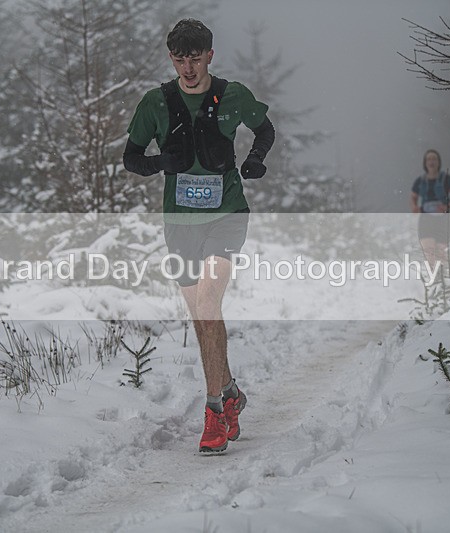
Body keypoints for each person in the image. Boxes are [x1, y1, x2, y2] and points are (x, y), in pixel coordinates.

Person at [122, 19, 275, 453]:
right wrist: (160, 164)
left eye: (195, 57)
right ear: (171, 58)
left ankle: (213, 415)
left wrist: (256, 159)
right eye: (179, 58)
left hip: (227, 214)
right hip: (179, 222)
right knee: (202, 315)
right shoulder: (156, 103)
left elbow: (265, 129)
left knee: (209, 302)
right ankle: (229, 391)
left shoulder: (233, 96)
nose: (188, 67)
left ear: (210, 54)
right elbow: (132, 158)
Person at [410, 149, 450, 278]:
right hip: (426, 219)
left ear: (438, 162)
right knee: (428, 249)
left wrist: (446, 206)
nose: (431, 162)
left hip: (442, 219)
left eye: (434, 159)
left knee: (440, 251)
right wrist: (414, 207)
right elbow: (413, 197)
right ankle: (434, 278)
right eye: (428, 159)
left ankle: (443, 279)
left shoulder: (446, 179)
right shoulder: (420, 181)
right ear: (425, 163)